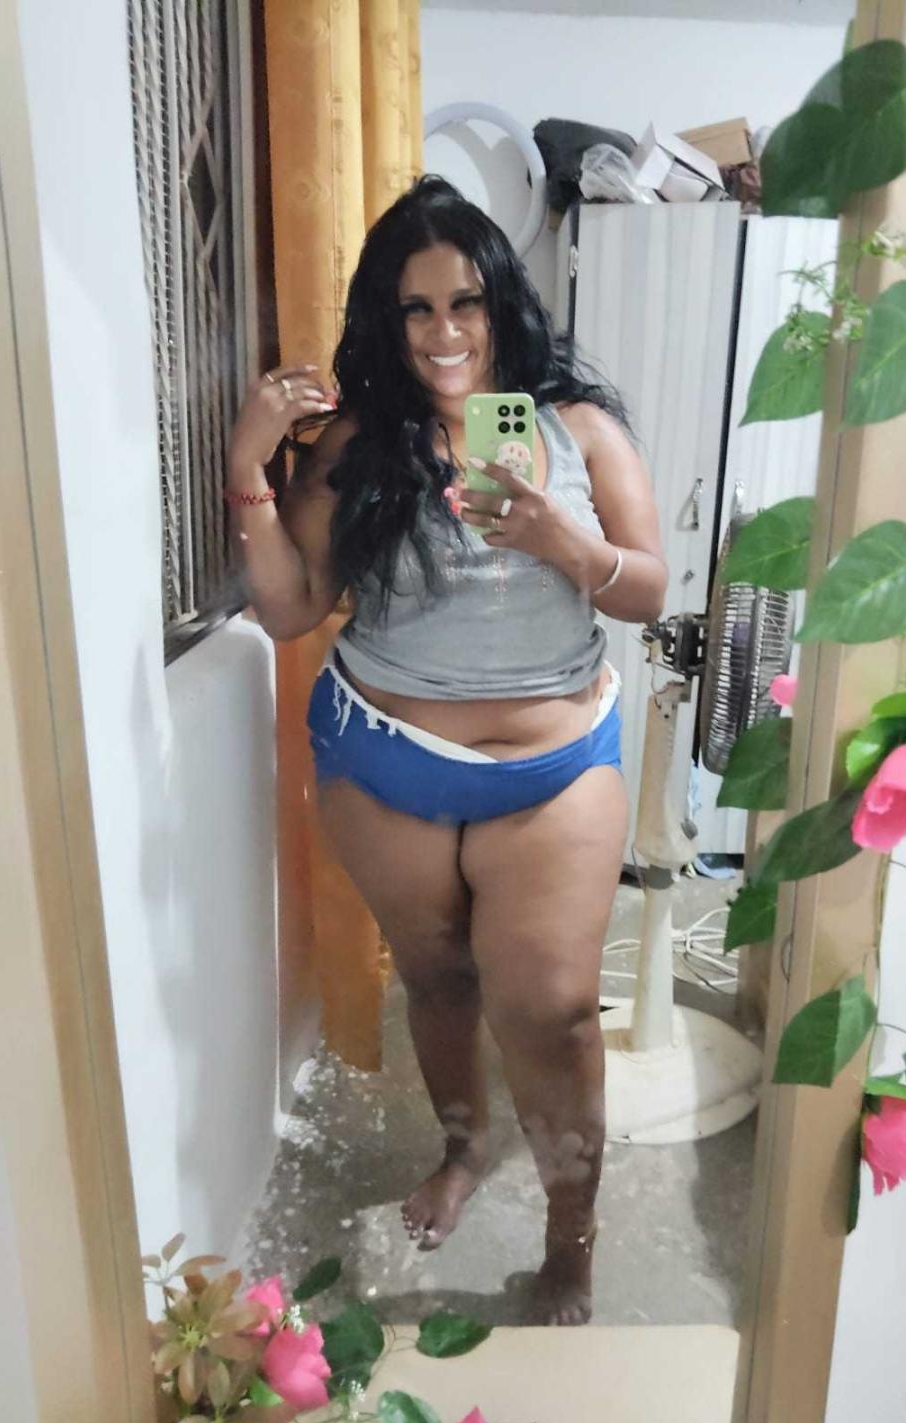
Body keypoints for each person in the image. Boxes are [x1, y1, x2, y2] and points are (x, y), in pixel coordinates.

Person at [226, 176, 667, 1325]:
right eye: (415, 308)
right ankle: (463, 1152)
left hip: (553, 767)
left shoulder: (575, 428)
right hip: (386, 756)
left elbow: (649, 588)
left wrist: (561, 539)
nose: (443, 332)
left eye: (464, 302)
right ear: (389, 318)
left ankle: (572, 1238)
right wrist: (252, 469)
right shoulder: (361, 442)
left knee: (555, 1008)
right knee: (437, 979)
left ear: (500, 302)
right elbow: (290, 610)